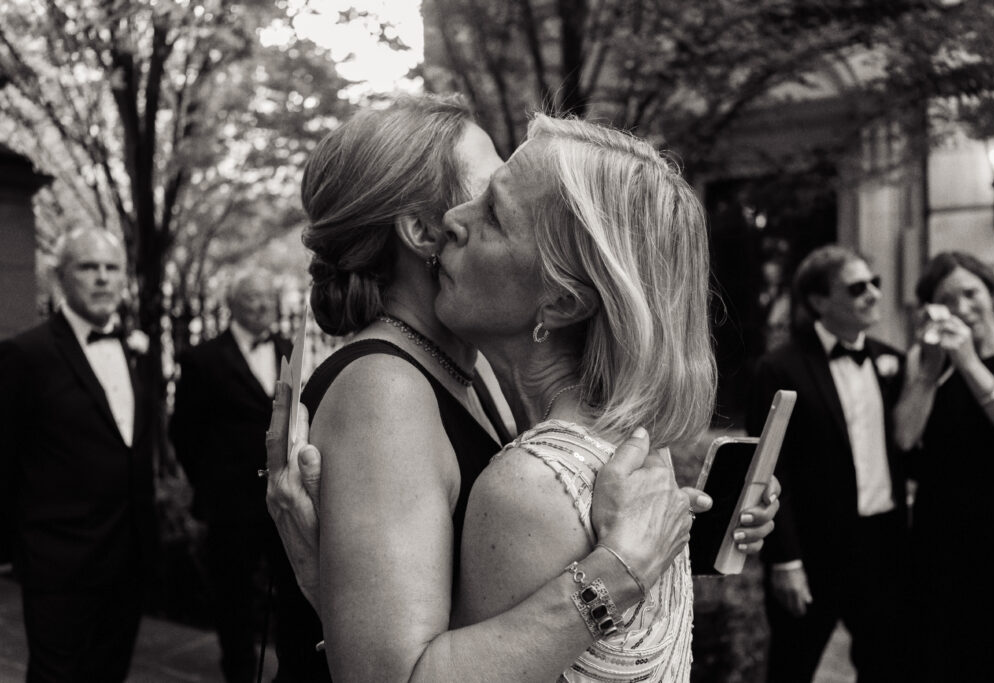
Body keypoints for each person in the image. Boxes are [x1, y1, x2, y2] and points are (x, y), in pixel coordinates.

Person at [266, 97, 780, 682]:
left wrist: (679, 527)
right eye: (485, 193)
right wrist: (622, 569)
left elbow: (513, 569)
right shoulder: (386, 391)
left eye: (492, 208)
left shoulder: (472, 368)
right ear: (419, 231)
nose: (465, 217)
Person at [746, 245, 908, 683]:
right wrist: (785, 561)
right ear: (818, 301)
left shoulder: (892, 360)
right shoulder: (778, 368)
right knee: (792, 667)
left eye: (874, 283)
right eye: (857, 288)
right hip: (816, 551)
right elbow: (768, 470)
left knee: (886, 664)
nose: (873, 293)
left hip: (883, 546)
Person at [0, 228, 156, 682]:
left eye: (112, 268)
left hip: (129, 557)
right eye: (88, 267)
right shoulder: (24, 355)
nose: (103, 279)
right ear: (59, 278)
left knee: (110, 673)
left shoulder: (135, 349)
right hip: (59, 564)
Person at [170, 270, 324, 682]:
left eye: (267, 300)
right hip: (229, 504)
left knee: (292, 593)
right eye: (253, 298)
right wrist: (210, 482)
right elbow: (183, 431)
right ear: (234, 303)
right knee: (233, 598)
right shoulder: (202, 358)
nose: (262, 307)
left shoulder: (287, 351)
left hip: (283, 499)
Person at [894, 251, 994, 683]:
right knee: (941, 649)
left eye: (971, 293)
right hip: (941, 528)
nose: (962, 308)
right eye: (947, 299)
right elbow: (905, 437)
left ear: (993, 293)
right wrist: (932, 370)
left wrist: (968, 363)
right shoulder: (923, 359)